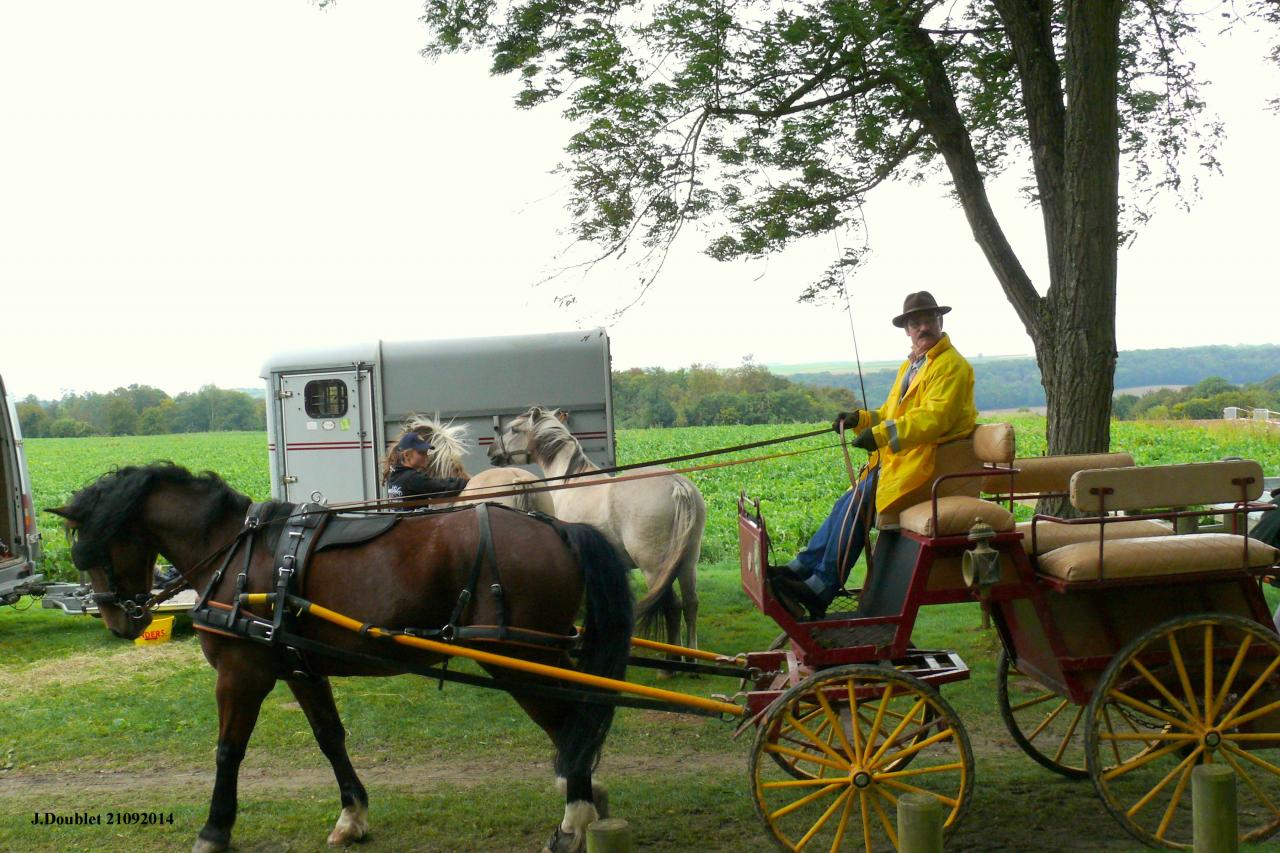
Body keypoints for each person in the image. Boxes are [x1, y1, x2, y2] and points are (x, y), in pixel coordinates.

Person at [770, 290, 977, 619]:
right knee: (847, 501)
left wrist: (879, 435)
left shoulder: (952, 367)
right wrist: (861, 420)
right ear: (907, 329)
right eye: (915, 322)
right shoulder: (912, 366)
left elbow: (933, 420)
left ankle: (821, 587)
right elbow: (891, 413)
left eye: (927, 320)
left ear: (940, 321)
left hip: (931, 468)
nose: (922, 327)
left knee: (859, 503)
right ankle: (801, 569)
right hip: (904, 463)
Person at [383, 431, 468, 500]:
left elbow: (435, 483)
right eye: (421, 453)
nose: (426, 456)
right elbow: (440, 488)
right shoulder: (412, 478)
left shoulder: (395, 476)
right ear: (406, 455)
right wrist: (465, 482)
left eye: (426, 452)